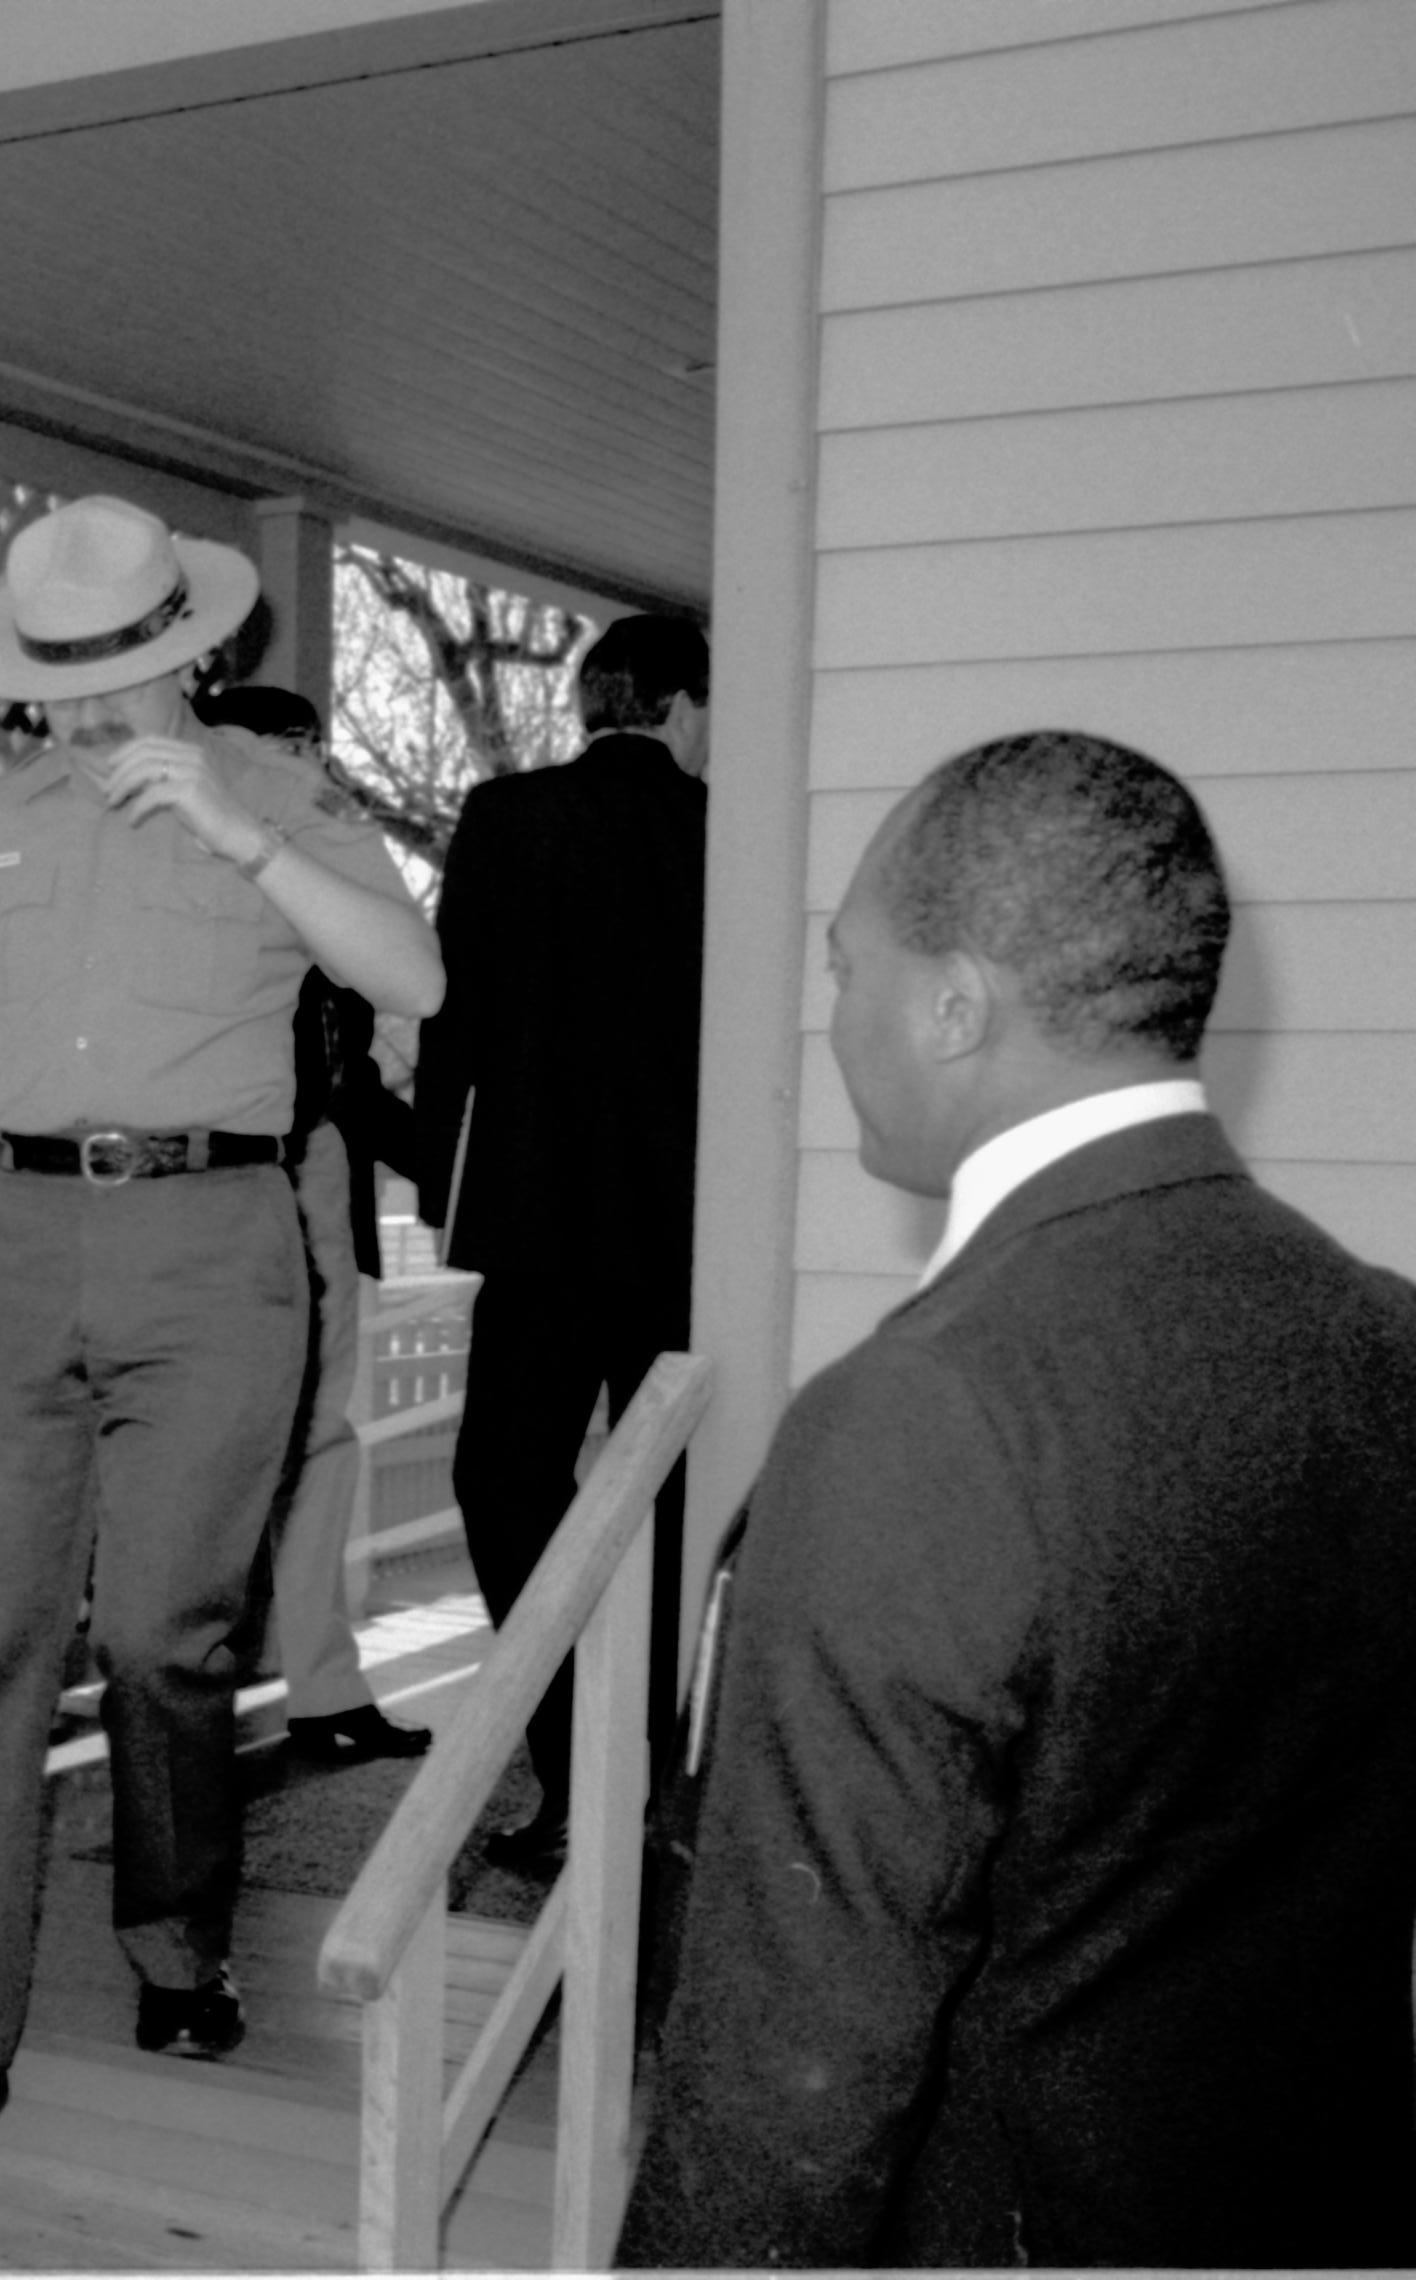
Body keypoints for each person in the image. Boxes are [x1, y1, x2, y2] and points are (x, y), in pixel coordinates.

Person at [620, 732, 1416, 2267]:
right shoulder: (1385, 1342)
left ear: (954, 1004)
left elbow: (790, 2082)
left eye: (844, 967)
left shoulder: (922, 1418)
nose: (834, 1017)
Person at [0, 495, 445, 2203]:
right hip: (13, 1252)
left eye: (111, 684)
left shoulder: (288, 803)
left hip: (217, 1251)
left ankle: (180, 1944)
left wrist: (242, 841)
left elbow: (418, 974)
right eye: (51, 689)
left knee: (169, 1637)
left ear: (193, 657)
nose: (78, 723)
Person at [409, 613, 707, 1869]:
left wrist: (441, 1183)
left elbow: (450, 1019)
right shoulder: (722, 829)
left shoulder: (504, 818)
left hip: (535, 1225)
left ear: (594, 704)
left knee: (504, 1480)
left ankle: (574, 1767)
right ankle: (665, 1771)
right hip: (694, 1226)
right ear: (686, 708)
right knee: (684, 1490)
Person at [192, 685, 432, 1768]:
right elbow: (382, 1017)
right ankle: (320, 1690)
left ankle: (206, 1682)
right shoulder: (295, 833)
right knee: (320, 1433)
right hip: (291, 1163)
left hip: (183, 1181)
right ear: (292, 746)